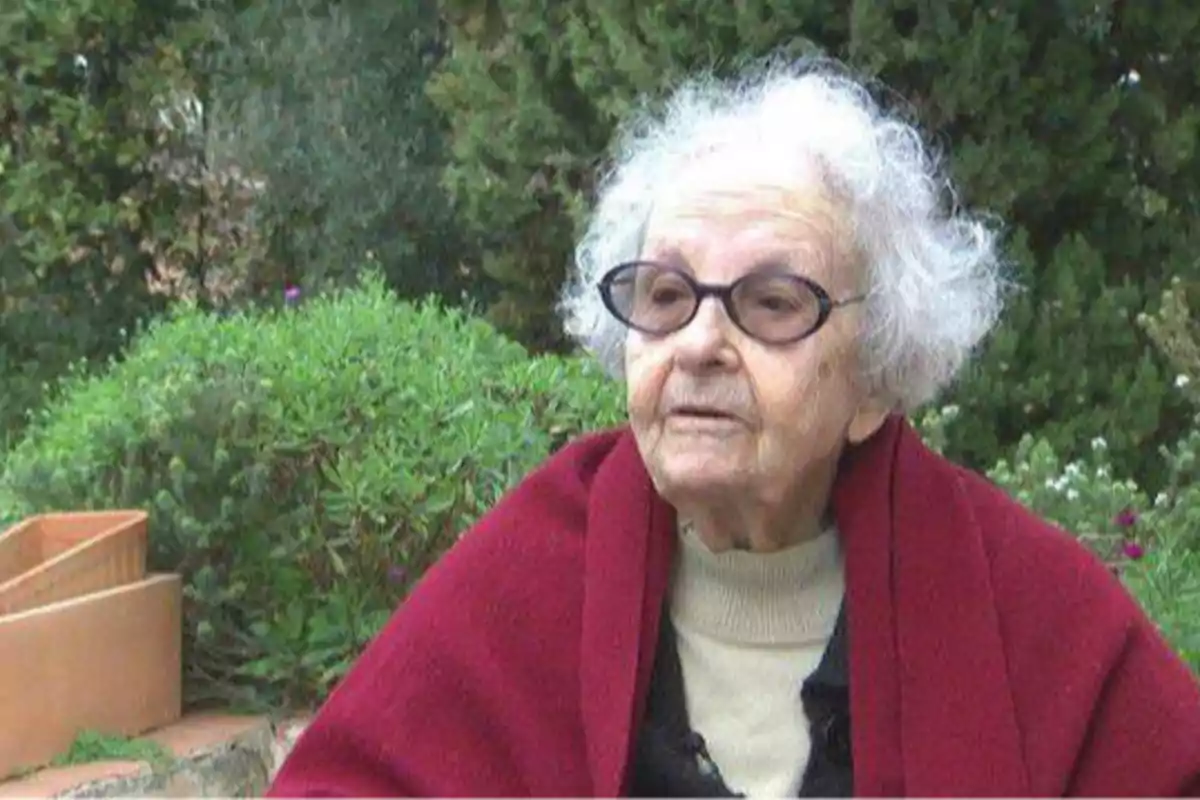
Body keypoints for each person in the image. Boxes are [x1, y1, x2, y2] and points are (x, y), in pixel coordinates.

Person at [267, 57, 1200, 797]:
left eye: (772, 302)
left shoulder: (1025, 608)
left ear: (875, 378)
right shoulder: (529, 572)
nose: (701, 342)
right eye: (667, 294)